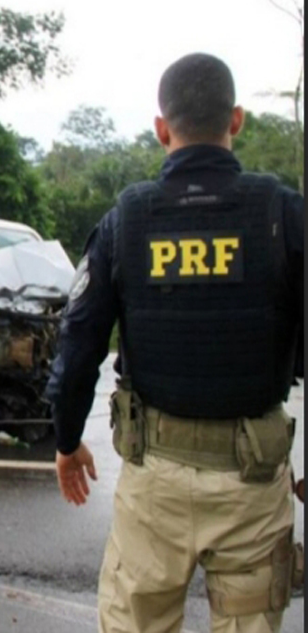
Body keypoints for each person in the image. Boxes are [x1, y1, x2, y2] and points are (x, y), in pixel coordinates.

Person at [45, 52, 304, 633]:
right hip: (254, 483)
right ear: (236, 120)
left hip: (154, 483)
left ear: (162, 129)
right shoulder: (284, 214)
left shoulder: (127, 220)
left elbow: (79, 341)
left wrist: (66, 440)